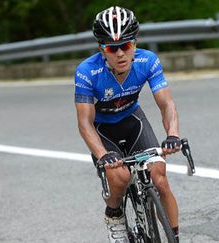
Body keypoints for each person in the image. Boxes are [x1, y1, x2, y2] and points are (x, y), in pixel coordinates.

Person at [74, 6, 181, 243]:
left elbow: (166, 104)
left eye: (126, 45)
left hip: (133, 122)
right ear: (102, 49)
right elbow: (84, 122)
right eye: (112, 48)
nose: (120, 54)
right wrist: (102, 155)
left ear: (135, 43)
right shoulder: (87, 72)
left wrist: (172, 134)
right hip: (103, 130)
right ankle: (114, 216)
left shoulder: (148, 61)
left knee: (159, 177)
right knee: (119, 177)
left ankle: (174, 238)